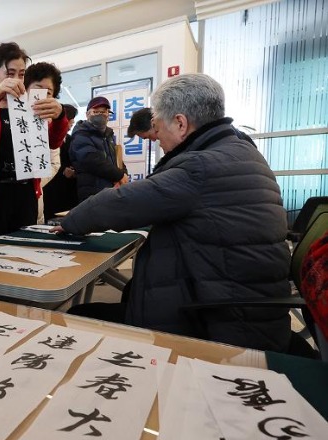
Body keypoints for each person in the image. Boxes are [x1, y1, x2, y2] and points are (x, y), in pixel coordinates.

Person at [54, 73, 292, 352]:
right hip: (242, 308)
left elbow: (120, 203)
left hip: (220, 325)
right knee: (129, 292)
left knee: (75, 318)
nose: (157, 140)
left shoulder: (201, 166)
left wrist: (70, 221)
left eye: (157, 127)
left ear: (180, 123)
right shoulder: (240, 151)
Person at [0, 43, 69, 239]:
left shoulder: (30, 107)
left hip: (25, 193)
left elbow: (52, 142)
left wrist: (60, 117)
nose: (16, 80)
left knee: (25, 250)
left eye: (21, 74)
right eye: (10, 73)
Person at [22, 62, 64, 225]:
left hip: (34, 196)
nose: (43, 96)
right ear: (25, 89)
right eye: (38, 89)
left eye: (49, 92)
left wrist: (34, 181)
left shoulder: (50, 124)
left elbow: (54, 162)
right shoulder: (9, 117)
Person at [70, 95, 128, 202]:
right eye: (96, 112)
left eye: (104, 112)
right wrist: (118, 175)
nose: (100, 115)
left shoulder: (108, 136)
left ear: (108, 115)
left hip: (111, 190)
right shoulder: (81, 134)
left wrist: (123, 173)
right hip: (92, 192)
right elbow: (90, 159)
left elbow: (115, 159)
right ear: (87, 115)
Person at [43, 103, 79, 221]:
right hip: (51, 185)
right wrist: (63, 169)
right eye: (69, 122)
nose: (69, 127)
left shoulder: (71, 139)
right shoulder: (45, 137)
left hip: (68, 188)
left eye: (71, 124)